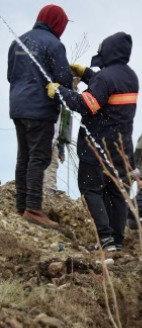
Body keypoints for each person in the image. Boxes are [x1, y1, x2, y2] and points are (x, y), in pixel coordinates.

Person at [46, 31, 139, 252]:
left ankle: (105, 240)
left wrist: (59, 92)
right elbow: (108, 90)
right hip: (121, 149)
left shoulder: (105, 78)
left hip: (97, 146)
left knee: (91, 189)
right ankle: (116, 241)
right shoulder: (129, 76)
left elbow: (88, 104)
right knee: (116, 193)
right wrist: (88, 74)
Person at [8, 4, 73, 228]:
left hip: (18, 106)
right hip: (40, 108)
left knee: (23, 156)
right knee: (40, 156)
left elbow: (10, 75)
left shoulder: (18, 41)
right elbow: (63, 78)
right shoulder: (54, 44)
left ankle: (21, 205)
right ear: (58, 24)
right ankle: (34, 208)